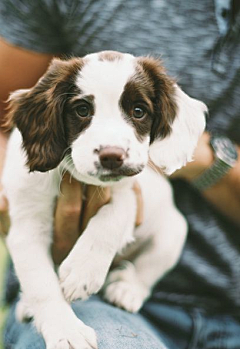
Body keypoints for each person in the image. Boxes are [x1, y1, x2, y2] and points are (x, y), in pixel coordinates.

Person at [0, 0, 240, 348]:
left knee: (161, 223)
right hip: (90, 306)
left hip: (226, 305)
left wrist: (203, 159)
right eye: (82, 109)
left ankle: (136, 279)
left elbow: (124, 206)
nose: (112, 146)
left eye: (138, 110)